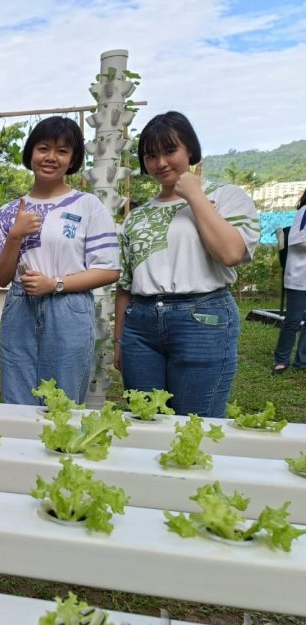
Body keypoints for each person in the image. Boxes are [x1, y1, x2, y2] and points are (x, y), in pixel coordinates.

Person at [114, 111, 261, 417]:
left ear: (190, 150)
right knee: (145, 420)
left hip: (202, 317)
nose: (161, 163)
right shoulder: (137, 216)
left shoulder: (225, 197)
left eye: (170, 151)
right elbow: (125, 284)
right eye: (151, 155)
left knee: (197, 421)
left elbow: (232, 253)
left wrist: (194, 195)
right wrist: (119, 339)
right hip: (140, 324)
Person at [0, 116, 119, 405]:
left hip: (68, 305)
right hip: (20, 305)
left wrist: (54, 284)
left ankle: (61, 450)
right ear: (31, 152)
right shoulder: (9, 211)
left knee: (63, 401)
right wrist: (14, 236)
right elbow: (1, 278)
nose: (51, 157)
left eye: (62, 151)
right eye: (43, 148)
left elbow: (108, 270)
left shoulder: (88, 206)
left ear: (72, 160)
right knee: (18, 398)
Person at [272, 187, 306, 374]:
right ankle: (282, 360)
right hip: (299, 277)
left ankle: (302, 361)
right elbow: (297, 240)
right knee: (293, 320)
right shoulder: (304, 211)